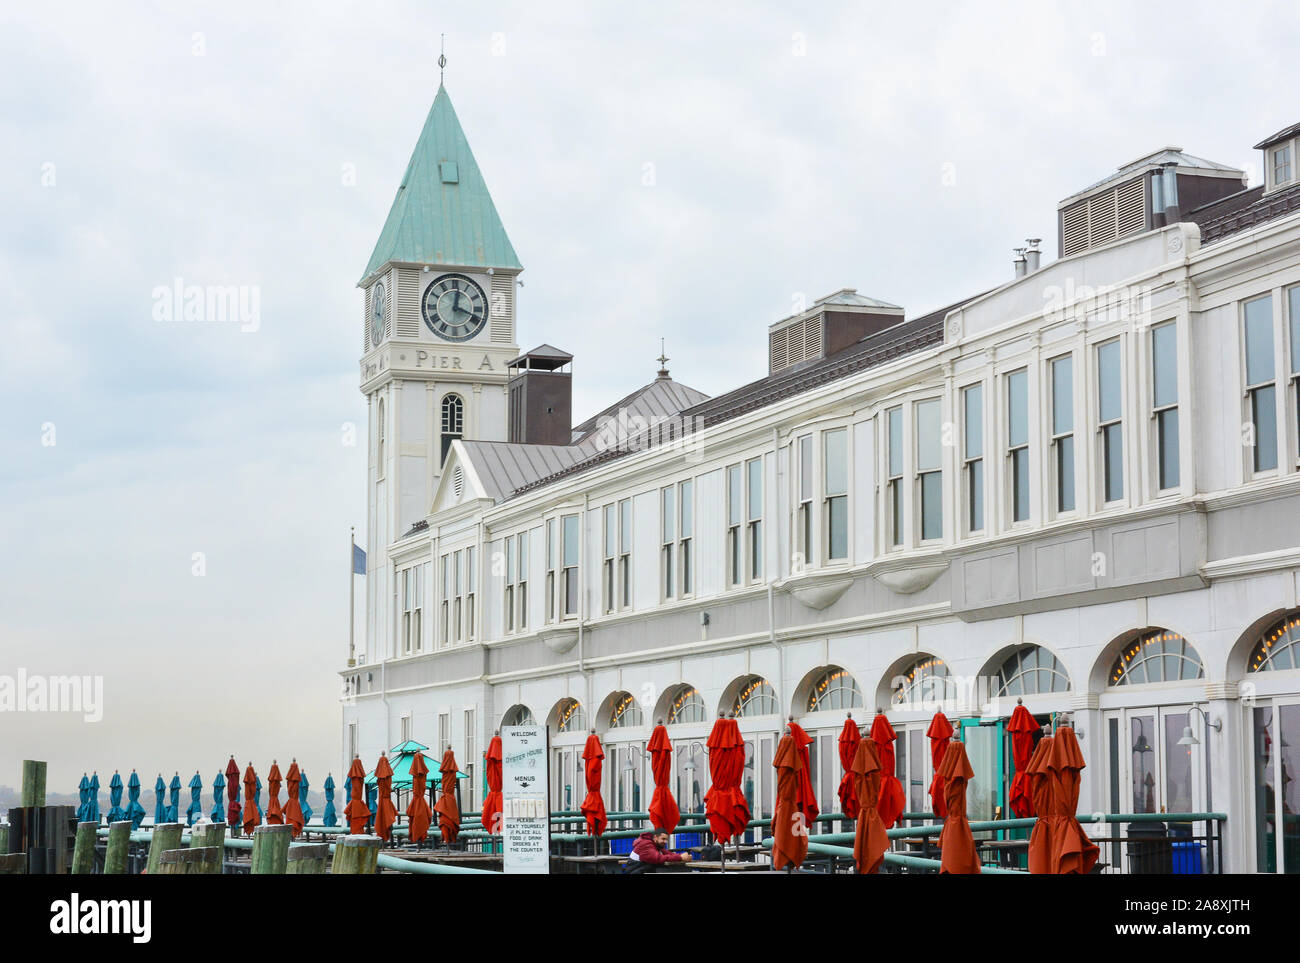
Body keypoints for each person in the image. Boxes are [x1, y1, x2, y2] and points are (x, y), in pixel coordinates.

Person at [626, 830, 693, 872]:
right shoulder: (646, 844)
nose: (665, 842)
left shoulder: (653, 844)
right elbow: (658, 858)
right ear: (655, 837)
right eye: (663, 839)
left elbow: (667, 853)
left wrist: (682, 856)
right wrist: (680, 857)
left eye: (666, 839)